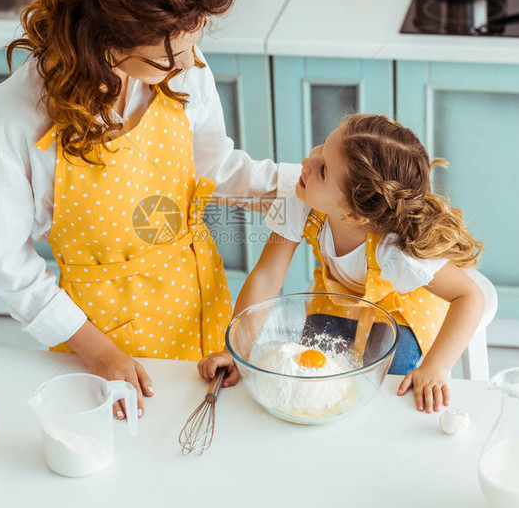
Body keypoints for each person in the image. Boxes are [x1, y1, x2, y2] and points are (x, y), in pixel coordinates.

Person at [0, 0, 297, 418]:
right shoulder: (16, 118)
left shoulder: (179, 66)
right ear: (107, 37)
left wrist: (305, 184)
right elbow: (9, 268)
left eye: (194, 44)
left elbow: (215, 167)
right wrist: (98, 351)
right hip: (102, 338)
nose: (189, 64)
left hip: (199, 306)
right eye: (169, 56)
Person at [198, 114, 485, 413]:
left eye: (322, 170)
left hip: (400, 308)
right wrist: (237, 350)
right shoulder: (301, 199)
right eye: (323, 146)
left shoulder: (395, 251)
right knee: (314, 372)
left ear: (355, 213)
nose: (307, 162)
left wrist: (436, 367)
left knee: (389, 387)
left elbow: (469, 296)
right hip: (341, 296)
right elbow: (267, 276)